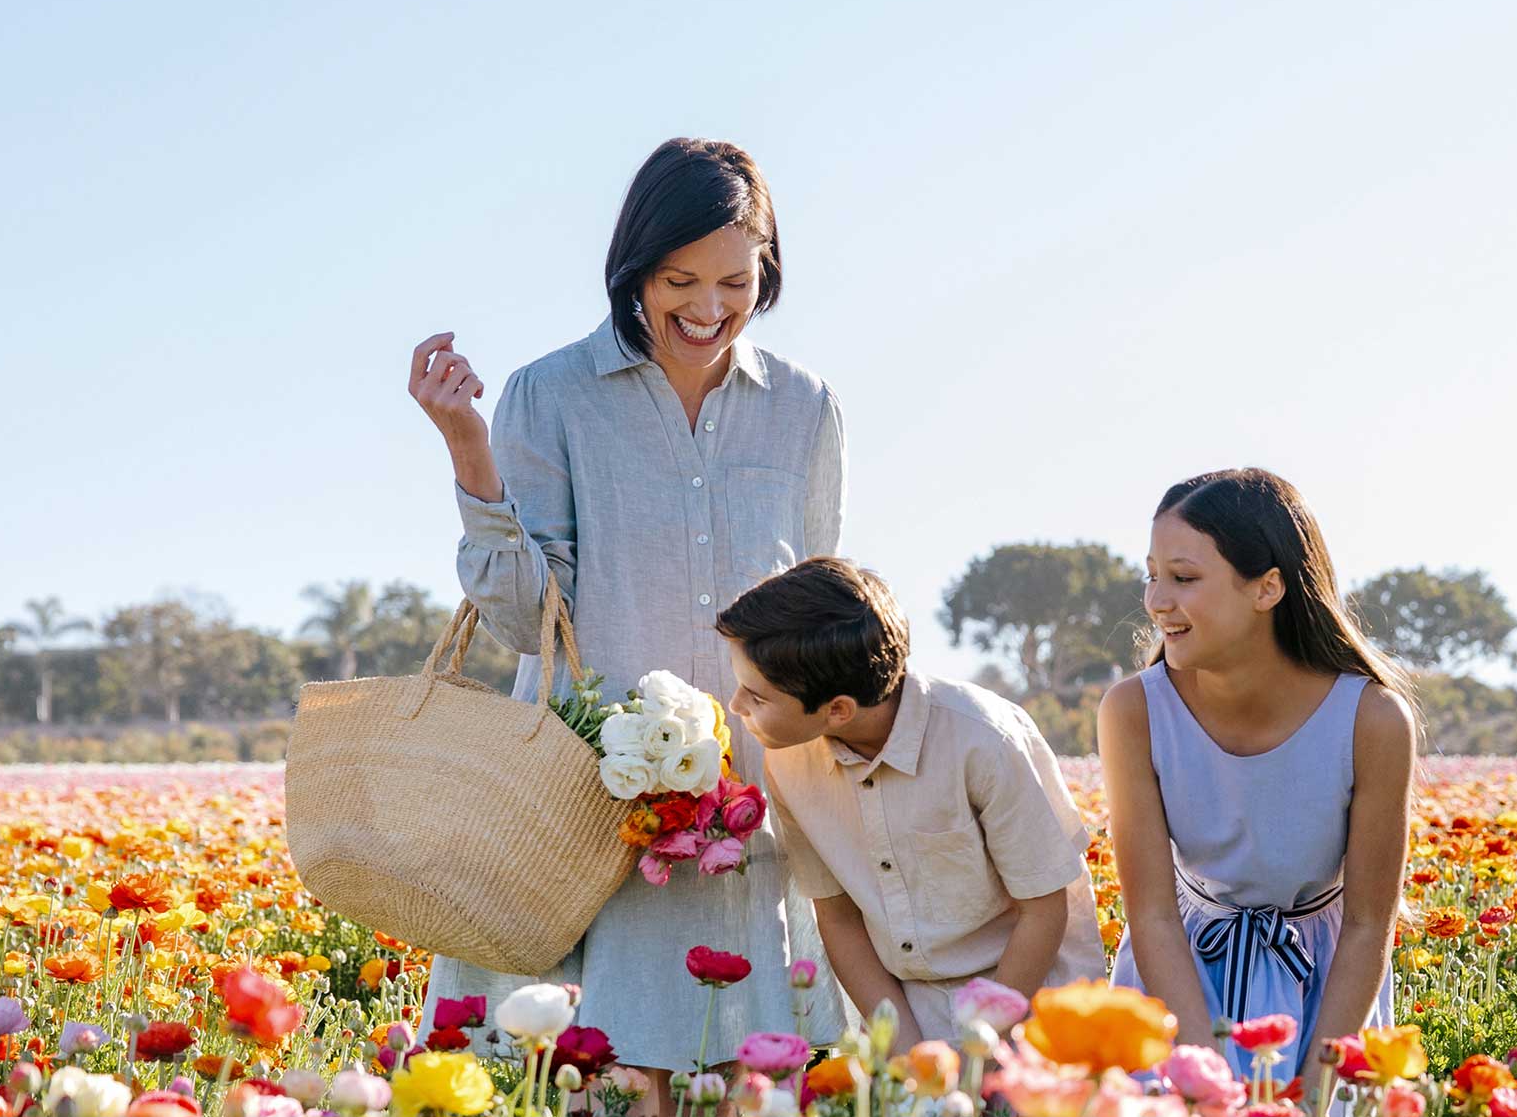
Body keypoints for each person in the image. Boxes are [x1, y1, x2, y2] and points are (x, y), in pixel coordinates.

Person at [405, 137, 848, 1102]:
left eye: (735, 280)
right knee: (606, 1078)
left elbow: (822, 613)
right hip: (594, 805)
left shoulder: (804, 408)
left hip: (750, 812)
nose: (708, 307)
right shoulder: (552, 395)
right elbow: (528, 623)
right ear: (634, 271)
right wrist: (469, 453)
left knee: (742, 1082)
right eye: (678, 279)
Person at [1100, 468, 1416, 1080]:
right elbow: (1154, 918)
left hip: (1327, 987)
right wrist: (1207, 1075)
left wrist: (1315, 1088)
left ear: (1268, 587)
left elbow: (1368, 925)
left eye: (1184, 578)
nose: (1157, 600)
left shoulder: (1372, 719)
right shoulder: (1133, 711)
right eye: (1152, 575)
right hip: (1177, 976)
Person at [715, 557, 1107, 1046]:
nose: (736, 705)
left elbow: (1045, 911)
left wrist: (976, 1054)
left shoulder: (982, 739)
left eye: (756, 696)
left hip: (1031, 998)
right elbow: (838, 917)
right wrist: (904, 1053)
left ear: (837, 710)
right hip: (907, 1010)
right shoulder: (789, 763)